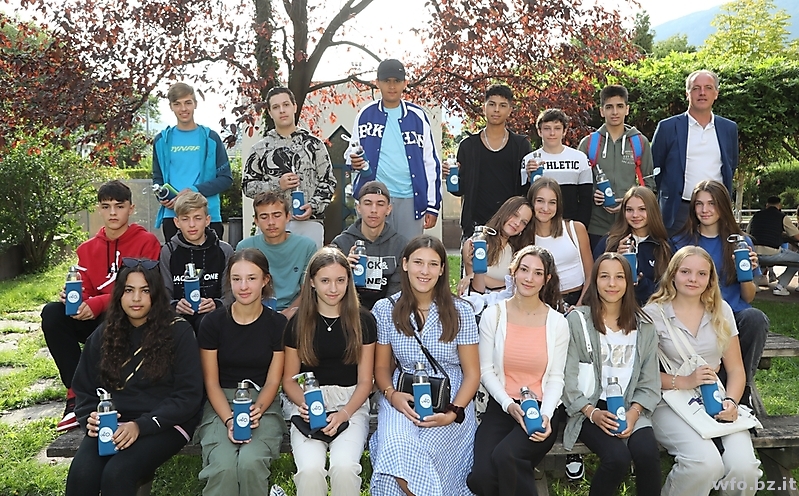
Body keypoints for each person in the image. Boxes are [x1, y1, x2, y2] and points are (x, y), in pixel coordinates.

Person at [65, 259, 204, 496]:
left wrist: (141, 425)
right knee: (82, 474)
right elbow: (84, 388)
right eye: (129, 290)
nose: (136, 298)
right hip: (113, 422)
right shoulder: (105, 331)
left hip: (165, 423)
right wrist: (91, 417)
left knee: (118, 472)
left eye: (145, 290)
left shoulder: (179, 331)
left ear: (156, 294)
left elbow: (188, 396)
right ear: (119, 294)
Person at [41, 180, 161, 432]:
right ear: (99, 209)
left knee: (112, 319)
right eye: (106, 207)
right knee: (52, 313)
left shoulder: (146, 242)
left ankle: (108, 393)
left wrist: (96, 303)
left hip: (128, 317)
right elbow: (84, 284)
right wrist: (75, 298)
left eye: (119, 206)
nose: (113, 213)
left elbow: (141, 289)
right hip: (94, 317)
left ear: (131, 208)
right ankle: (75, 395)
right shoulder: (87, 248)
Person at [644, 246, 761, 495]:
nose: (693, 279)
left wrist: (732, 402)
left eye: (701, 274)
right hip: (669, 401)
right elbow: (643, 376)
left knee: (745, 469)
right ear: (672, 274)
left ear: (710, 279)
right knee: (703, 465)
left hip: (715, 397)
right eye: (685, 272)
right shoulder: (653, 314)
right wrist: (684, 381)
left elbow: (736, 369)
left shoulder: (721, 310)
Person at [370, 235, 480, 496]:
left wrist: (453, 413)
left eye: (433, 264)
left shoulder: (460, 311)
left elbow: (473, 374)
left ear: (442, 269)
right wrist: (391, 395)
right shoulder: (385, 309)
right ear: (405, 264)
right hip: (403, 393)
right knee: (396, 447)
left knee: (429, 449)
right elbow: (382, 368)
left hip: (451, 397)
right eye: (418, 262)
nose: (425, 271)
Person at [466, 245, 569, 496]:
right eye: (524, 269)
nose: (529, 278)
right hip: (503, 405)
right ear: (513, 272)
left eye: (537, 273)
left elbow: (556, 378)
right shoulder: (493, 315)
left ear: (546, 279)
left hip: (541, 409)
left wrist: (545, 415)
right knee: (481, 478)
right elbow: (486, 370)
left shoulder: (557, 322)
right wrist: (508, 405)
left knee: (507, 456)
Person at [562, 252, 661, 495]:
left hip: (629, 406)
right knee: (617, 458)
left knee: (648, 454)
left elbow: (650, 382)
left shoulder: (644, 326)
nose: (612, 284)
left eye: (619, 277)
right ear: (595, 281)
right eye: (604, 276)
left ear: (629, 281)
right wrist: (592, 413)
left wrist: (634, 413)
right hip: (590, 408)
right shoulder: (578, 321)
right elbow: (567, 379)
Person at [282, 247, 377, 495]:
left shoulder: (363, 321)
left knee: (344, 468)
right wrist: (307, 405)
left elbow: (366, 381)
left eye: (340, 280)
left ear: (349, 281)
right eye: (325, 281)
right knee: (310, 470)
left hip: (351, 403)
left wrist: (344, 414)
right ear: (312, 282)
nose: (333, 288)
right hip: (308, 403)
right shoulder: (297, 323)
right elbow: (289, 380)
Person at [195, 248, 287, 495]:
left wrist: (257, 411)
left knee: (250, 462)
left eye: (251, 278)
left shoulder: (277, 324)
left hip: (262, 403)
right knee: (223, 466)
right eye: (236, 279)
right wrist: (229, 419)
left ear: (265, 280)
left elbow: (273, 381)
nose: (243, 286)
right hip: (221, 403)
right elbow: (211, 382)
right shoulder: (213, 323)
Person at [672, 180, 768, 406]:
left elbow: (749, 297)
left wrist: (746, 272)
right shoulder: (681, 243)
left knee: (755, 318)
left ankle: (741, 391)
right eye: (699, 204)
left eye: (712, 203)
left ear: (723, 205)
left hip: (732, 314)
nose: (705, 210)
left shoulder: (741, 242)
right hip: (696, 315)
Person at [346, 59, 441, 242]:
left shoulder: (418, 116)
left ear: (405, 83)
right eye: (386, 81)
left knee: (410, 252)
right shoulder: (365, 114)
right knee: (372, 251)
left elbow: (430, 162)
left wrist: (432, 205)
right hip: (375, 198)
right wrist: (353, 160)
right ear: (377, 83)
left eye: (397, 81)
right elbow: (352, 151)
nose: (391, 86)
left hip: (411, 199)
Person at [242, 86, 337, 248]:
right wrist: (277, 185)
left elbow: (328, 182)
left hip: (309, 224)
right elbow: (247, 186)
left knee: (310, 265)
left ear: (294, 107)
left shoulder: (314, 145)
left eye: (286, 105)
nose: (282, 110)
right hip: (271, 225)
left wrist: (313, 206)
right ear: (270, 113)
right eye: (276, 107)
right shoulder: (260, 149)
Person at [652, 70, 738, 236]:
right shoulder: (667, 127)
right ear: (687, 93)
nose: (702, 92)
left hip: (715, 210)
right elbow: (656, 167)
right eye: (696, 88)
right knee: (674, 253)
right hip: (677, 212)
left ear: (716, 93)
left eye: (708, 88)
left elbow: (731, 165)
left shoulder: (728, 128)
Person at [445, 84, 533, 237]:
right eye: (492, 104)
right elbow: (460, 190)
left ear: (510, 110)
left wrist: (532, 175)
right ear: (484, 107)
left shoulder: (521, 145)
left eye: (502, 105)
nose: (496, 110)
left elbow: (526, 190)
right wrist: (450, 175)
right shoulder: (468, 146)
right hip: (475, 226)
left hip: (511, 226)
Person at [577, 85, 655, 249]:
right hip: (596, 226)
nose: (615, 112)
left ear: (627, 109)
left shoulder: (639, 142)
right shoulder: (589, 143)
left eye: (619, 106)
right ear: (601, 111)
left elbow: (649, 184)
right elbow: (579, 184)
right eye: (609, 107)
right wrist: (593, 194)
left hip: (629, 225)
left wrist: (630, 202)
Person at [152, 82, 233, 240]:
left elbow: (225, 179)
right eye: (177, 104)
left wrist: (194, 190)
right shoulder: (161, 140)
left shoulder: (211, 138)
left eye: (188, 103)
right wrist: (162, 197)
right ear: (171, 107)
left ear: (195, 104)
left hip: (208, 216)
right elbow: (157, 178)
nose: (183, 109)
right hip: (174, 217)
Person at [160, 192, 234, 333]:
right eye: (185, 219)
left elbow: (230, 293)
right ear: (177, 222)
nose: (192, 225)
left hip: (216, 319)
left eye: (197, 218)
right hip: (178, 321)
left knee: (208, 323)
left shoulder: (225, 250)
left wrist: (217, 304)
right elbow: (164, 293)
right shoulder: (168, 251)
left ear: (207, 220)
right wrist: (175, 305)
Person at [236, 191, 317, 319]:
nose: (271, 222)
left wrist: (287, 314)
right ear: (256, 221)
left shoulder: (307, 246)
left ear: (288, 216)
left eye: (277, 215)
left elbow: (307, 291)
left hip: (296, 313)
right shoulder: (245, 247)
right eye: (264, 217)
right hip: (255, 313)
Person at [330, 181, 408, 310]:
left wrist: (380, 314)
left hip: (387, 313)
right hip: (347, 311)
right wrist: (343, 270)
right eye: (367, 203)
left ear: (388, 209)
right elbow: (328, 288)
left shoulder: (401, 245)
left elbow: (397, 292)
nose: (373, 210)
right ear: (358, 208)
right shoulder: (340, 244)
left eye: (380, 204)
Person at [593, 186, 672, 305]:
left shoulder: (664, 247)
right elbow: (595, 281)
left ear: (652, 211)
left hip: (650, 310)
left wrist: (641, 283)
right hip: (613, 309)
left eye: (642, 209)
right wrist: (615, 260)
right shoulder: (609, 241)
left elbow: (668, 290)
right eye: (629, 210)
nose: (635, 215)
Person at [525, 177, 593, 308]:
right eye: (540, 201)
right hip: (539, 303)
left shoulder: (575, 229)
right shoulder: (524, 237)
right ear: (531, 202)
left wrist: (579, 307)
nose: (545, 208)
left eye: (552, 202)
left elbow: (591, 274)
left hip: (577, 299)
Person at [523, 109, 592, 228]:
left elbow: (586, 200)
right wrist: (529, 178)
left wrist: (579, 227)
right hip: (537, 227)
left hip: (570, 225)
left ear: (564, 131)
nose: (552, 133)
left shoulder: (580, 158)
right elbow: (524, 198)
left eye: (557, 128)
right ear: (539, 131)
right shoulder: (529, 160)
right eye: (547, 128)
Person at [457, 195, 532, 295]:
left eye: (524, 222)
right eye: (515, 215)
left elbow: (515, 288)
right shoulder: (476, 242)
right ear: (505, 212)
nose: (517, 223)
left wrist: (478, 277)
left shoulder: (517, 252)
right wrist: (504, 285)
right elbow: (474, 285)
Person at [747, 195, 799, 295]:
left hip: (755, 253)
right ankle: (780, 286)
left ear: (767, 205)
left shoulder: (756, 216)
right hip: (772, 252)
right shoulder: (782, 217)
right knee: (797, 260)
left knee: (761, 261)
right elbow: (797, 236)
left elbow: (748, 234)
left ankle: (754, 284)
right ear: (779, 206)